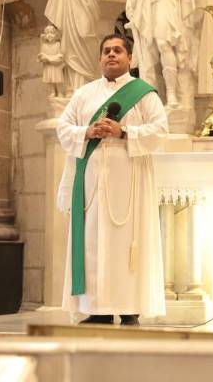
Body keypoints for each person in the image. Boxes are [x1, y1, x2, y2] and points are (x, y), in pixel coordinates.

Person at [56, 34, 168, 325]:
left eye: (118, 50)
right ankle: (98, 309)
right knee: (92, 242)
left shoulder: (144, 94)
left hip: (129, 177)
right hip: (91, 179)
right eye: (106, 51)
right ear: (99, 59)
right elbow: (63, 128)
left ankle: (129, 308)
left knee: (128, 241)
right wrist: (88, 132)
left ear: (130, 58)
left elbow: (160, 130)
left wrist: (124, 132)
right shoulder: (84, 94)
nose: (111, 55)